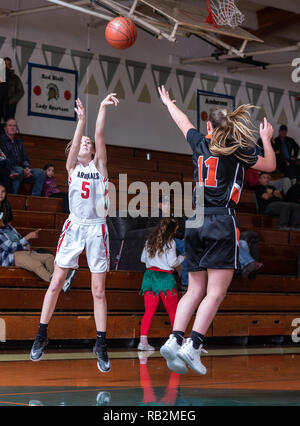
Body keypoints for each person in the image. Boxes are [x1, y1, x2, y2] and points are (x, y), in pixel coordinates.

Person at [157, 85, 276, 376]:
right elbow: (270, 165)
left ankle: (174, 338)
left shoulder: (199, 142)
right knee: (216, 292)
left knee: (194, 288)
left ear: (208, 126)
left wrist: (168, 102)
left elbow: (182, 122)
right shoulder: (237, 149)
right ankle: (193, 345)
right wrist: (266, 138)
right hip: (221, 220)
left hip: (195, 221)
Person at [30, 94, 119, 373]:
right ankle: (41, 335)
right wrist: (80, 120)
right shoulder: (72, 168)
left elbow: (100, 134)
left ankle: (101, 344)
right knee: (56, 282)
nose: (86, 143)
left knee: (98, 290)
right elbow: (77, 140)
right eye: (82, 142)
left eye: (88, 143)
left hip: (96, 229)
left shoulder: (99, 167)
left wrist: (101, 109)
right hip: (75, 225)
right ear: (75, 149)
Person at [138, 217, 185, 351]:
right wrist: (182, 257)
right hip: (165, 279)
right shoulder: (170, 242)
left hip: (150, 278)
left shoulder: (149, 241)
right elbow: (172, 263)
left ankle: (143, 341)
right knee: (173, 312)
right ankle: (178, 340)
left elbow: (142, 259)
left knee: (148, 312)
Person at [0, 119, 45, 195]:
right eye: (10, 125)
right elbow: (5, 158)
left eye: (14, 125)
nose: (12, 127)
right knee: (19, 171)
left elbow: (25, 157)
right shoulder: (1, 140)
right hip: (9, 169)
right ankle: (13, 196)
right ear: (5, 128)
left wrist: (27, 168)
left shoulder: (19, 142)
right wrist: (22, 169)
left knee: (41, 173)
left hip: (22, 169)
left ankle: (34, 199)